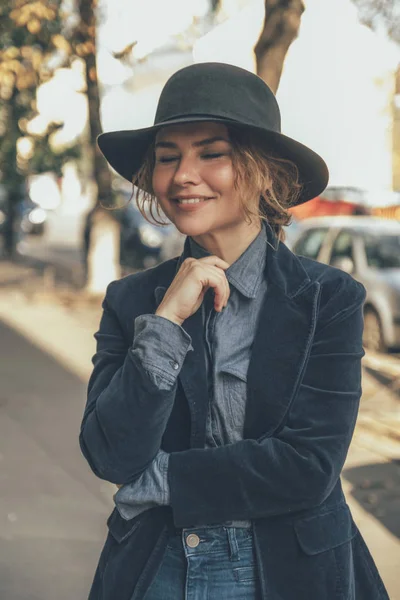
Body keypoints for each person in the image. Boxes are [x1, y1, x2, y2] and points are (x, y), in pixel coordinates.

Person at [79, 62, 389, 600]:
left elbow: (307, 466)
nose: (182, 175)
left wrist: (161, 481)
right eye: (167, 157)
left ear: (264, 170)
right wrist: (164, 324)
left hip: (289, 571)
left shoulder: (329, 299)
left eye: (211, 153)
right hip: (157, 567)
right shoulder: (132, 302)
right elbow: (110, 455)